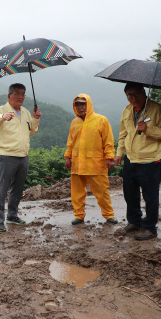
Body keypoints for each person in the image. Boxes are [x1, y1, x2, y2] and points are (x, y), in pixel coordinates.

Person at [114, 83, 161, 241]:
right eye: (129, 95)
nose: (132, 98)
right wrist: (119, 153)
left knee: (150, 196)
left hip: (150, 160)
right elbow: (123, 134)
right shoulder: (127, 110)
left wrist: (148, 129)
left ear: (144, 92)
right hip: (131, 159)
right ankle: (134, 221)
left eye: (135, 94)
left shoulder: (158, 109)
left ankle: (150, 228)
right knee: (130, 193)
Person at [0, 83, 41, 232]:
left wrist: (36, 119)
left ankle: (12, 215)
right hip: (6, 156)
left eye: (23, 94)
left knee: (17, 188)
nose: (20, 97)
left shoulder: (24, 112)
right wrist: (2, 117)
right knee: (2, 188)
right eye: (17, 93)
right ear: (9, 95)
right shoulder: (1, 110)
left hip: (23, 156)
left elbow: (30, 130)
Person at [64, 94, 117, 225]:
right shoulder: (74, 122)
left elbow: (108, 141)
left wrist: (110, 157)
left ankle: (109, 215)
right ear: (74, 107)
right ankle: (79, 215)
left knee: (102, 191)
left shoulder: (101, 120)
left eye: (83, 104)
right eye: (77, 105)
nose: (80, 107)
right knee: (76, 193)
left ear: (89, 104)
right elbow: (70, 142)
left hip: (95, 163)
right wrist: (67, 157)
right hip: (77, 163)